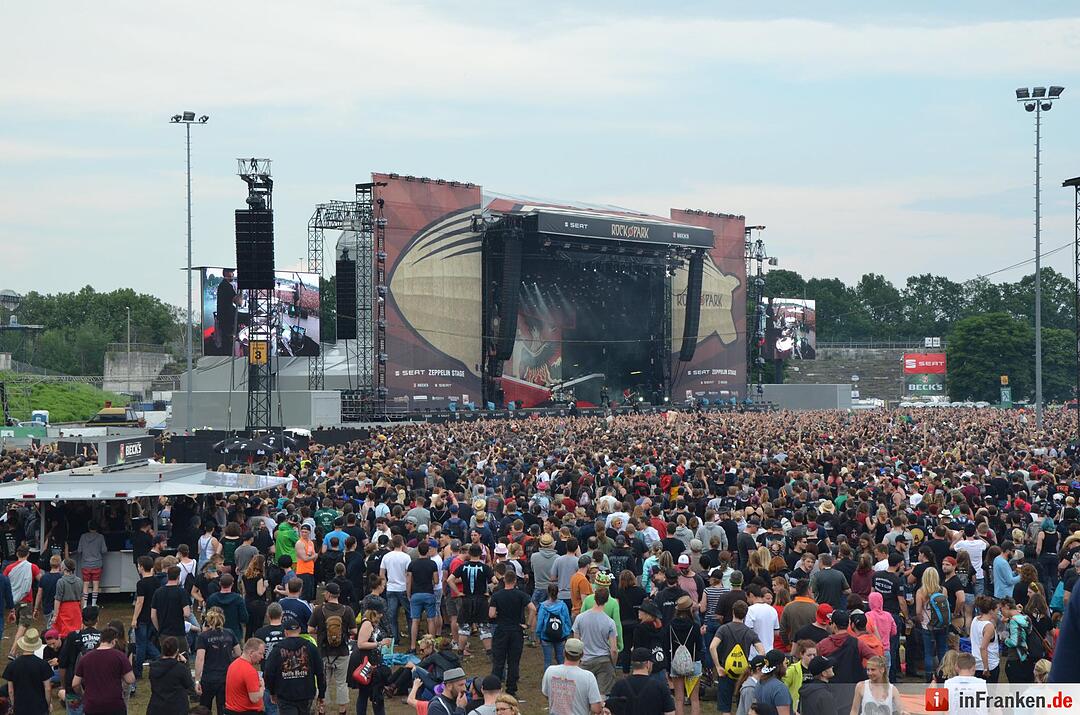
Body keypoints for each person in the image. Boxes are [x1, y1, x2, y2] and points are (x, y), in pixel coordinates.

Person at [264, 614, 327, 715]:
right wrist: (322, 693)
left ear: (285, 632)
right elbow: (320, 672)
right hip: (306, 693)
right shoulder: (310, 647)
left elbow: (269, 673)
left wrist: (271, 692)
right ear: (300, 630)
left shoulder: (277, 650)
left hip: (285, 694)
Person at [308, 582, 355, 715]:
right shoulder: (347, 610)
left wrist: (321, 632)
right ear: (338, 594)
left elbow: (310, 629)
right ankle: (342, 711)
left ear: (328, 594)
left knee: (323, 682)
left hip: (323, 652)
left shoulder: (318, 610)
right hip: (342, 652)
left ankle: (322, 710)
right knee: (341, 683)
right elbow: (354, 630)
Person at [709, 600, 763, 715]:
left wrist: (718, 666)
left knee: (725, 708)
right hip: (743, 673)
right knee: (743, 706)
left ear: (732, 612)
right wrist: (752, 667)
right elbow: (762, 651)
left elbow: (712, 647)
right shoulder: (749, 632)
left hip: (726, 671)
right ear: (746, 614)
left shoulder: (723, 629)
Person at [488, 569, 535, 698]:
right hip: (516, 630)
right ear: (514, 581)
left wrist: (497, 614)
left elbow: (491, 614)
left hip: (501, 630)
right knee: (514, 661)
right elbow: (532, 608)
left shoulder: (497, 595)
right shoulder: (521, 595)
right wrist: (528, 625)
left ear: (504, 580)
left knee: (498, 661)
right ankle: (511, 689)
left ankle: (495, 689)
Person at [72, 626, 135, 715]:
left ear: (100, 640)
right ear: (114, 641)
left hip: (92, 705)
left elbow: (75, 684)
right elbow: (130, 679)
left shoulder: (85, 658)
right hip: (114, 704)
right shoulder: (120, 656)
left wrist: (83, 694)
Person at [571, 585, 618, 696]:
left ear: (594, 598)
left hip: (585, 660)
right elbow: (614, 650)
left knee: (583, 695)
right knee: (602, 695)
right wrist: (613, 664)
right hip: (604, 661)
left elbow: (575, 643)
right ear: (606, 600)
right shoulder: (610, 622)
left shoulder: (580, 618)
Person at [448, 544, 494, 658]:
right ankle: (489, 653)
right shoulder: (485, 568)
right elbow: (495, 581)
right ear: (480, 554)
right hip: (481, 600)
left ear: (469, 553)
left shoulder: (463, 566)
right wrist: (489, 591)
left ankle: (460, 653)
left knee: (464, 628)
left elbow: (450, 580)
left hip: (467, 599)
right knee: (484, 627)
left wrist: (458, 593)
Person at [349, 596, 393, 715]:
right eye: (380, 613)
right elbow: (361, 644)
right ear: (374, 612)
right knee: (371, 693)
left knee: (370, 693)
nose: (382, 615)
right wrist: (380, 643)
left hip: (372, 661)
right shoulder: (367, 624)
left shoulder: (372, 624)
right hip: (367, 663)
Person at [195, 607, 241, 715]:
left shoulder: (203, 636)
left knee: (204, 709)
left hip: (208, 678)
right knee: (223, 708)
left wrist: (197, 680)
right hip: (225, 677)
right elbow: (238, 653)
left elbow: (200, 659)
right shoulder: (229, 633)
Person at [540, 638, 603, 715]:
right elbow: (596, 708)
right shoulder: (588, 677)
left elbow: (546, 694)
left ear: (564, 652)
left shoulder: (550, 670)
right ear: (582, 655)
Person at [58, 605, 101, 715]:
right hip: (98, 687)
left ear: (82, 619)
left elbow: (62, 664)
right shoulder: (103, 637)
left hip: (73, 685)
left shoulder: (73, 636)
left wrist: (64, 685)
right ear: (97, 619)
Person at [606, 647, 676, 715]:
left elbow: (608, 710)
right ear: (648, 664)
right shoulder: (661, 687)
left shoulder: (619, 686)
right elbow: (670, 712)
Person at [3, 628, 54, 715]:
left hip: (20, 707)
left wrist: (13, 705)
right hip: (39, 707)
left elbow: (10, 690)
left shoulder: (12, 665)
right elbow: (48, 688)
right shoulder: (43, 665)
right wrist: (48, 705)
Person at [4, 546, 42, 661]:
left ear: (17, 554)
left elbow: (5, 583)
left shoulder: (9, 568)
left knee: (20, 627)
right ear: (28, 554)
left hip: (13, 601)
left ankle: (16, 651)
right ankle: (13, 651)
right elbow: (41, 580)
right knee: (23, 626)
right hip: (26, 600)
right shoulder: (32, 567)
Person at [668, 595, 701, 715]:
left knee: (678, 698)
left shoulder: (671, 625)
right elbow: (700, 646)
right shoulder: (695, 626)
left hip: (676, 663)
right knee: (694, 699)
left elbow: (667, 644)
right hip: (693, 662)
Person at [147, 635, 196, 715]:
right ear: (177, 651)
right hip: (176, 708)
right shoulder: (180, 668)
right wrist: (184, 664)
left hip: (156, 707)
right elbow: (189, 685)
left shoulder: (153, 667)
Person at [407, 541, 441, 652]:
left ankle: (412, 646)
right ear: (428, 551)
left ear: (418, 551)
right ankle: (431, 646)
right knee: (430, 620)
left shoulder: (412, 564)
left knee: (415, 621)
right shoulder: (432, 564)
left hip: (416, 594)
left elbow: (409, 581)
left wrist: (409, 594)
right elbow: (436, 581)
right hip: (428, 593)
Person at [130, 554, 161, 680]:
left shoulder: (141, 584)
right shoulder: (156, 581)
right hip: (153, 616)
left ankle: (138, 671)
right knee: (146, 641)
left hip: (142, 617)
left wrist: (134, 618)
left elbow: (140, 602)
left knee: (140, 645)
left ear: (141, 567)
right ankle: (159, 658)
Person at [152, 565, 193, 654]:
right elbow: (187, 613)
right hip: (178, 633)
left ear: (167, 576)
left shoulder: (158, 592)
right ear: (179, 576)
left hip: (164, 633)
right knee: (183, 660)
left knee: (166, 659)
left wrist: (159, 629)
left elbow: (153, 615)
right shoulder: (181, 592)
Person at [225, 638, 266, 714]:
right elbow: (255, 698)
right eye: (260, 653)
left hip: (232, 710)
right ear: (251, 653)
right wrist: (262, 687)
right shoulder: (249, 671)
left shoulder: (233, 665)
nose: (262, 657)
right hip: (246, 711)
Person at [536, 583, 572, 668]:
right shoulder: (562, 605)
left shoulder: (543, 606)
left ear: (548, 592)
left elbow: (540, 622)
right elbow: (567, 620)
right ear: (558, 592)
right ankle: (563, 678)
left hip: (546, 636)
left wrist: (538, 634)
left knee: (547, 661)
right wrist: (566, 633)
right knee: (561, 659)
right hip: (560, 636)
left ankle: (547, 679)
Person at [76, 521, 107, 608]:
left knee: (85, 584)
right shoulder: (100, 537)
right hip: (97, 564)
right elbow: (104, 550)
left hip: (85, 564)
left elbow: (79, 550)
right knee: (95, 584)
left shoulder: (83, 537)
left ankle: (85, 604)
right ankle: (93, 604)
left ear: (88, 527)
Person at [970, 596, 1000, 682]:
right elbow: (983, 648)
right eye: (997, 609)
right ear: (991, 610)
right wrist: (986, 668)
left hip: (976, 663)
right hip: (989, 665)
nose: (998, 612)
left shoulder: (975, 619)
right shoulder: (988, 626)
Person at [754, 650, 792, 715]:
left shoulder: (759, 683)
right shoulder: (780, 688)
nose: (787, 666)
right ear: (780, 666)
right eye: (786, 663)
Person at [53, 558, 84, 637]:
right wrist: (81, 611)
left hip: (64, 609)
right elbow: (82, 598)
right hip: (76, 609)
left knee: (64, 632)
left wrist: (55, 615)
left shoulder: (61, 582)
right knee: (77, 631)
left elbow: (58, 599)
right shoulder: (79, 581)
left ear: (64, 568)